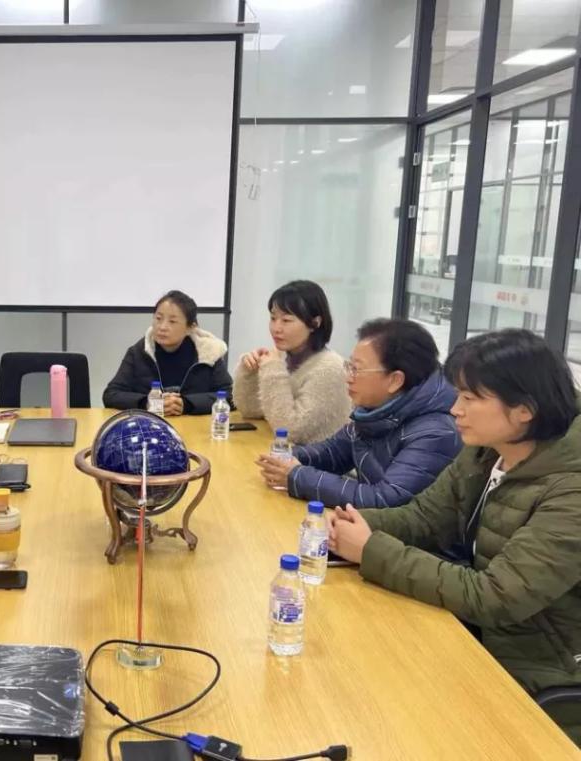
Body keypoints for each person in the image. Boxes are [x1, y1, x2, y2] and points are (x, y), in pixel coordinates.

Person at [328, 330, 581, 742]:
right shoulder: (488, 451)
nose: (455, 409)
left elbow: (496, 597)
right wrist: (354, 522)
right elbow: (425, 518)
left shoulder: (571, 492)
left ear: (524, 410)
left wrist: (372, 549)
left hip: (542, 675)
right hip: (476, 639)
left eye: (470, 398)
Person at [257, 318, 460, 507]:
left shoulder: (435, 433)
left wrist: (297, 476)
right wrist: (283, 458)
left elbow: (385, 499)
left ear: (395, 380)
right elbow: (333, 452)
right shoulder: (378, 409)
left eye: (357, 369)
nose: (348, 378)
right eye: (349, 366)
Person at [233, 280, 349, 444]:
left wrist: (273, 370)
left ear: (315, 323)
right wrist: (249, 372)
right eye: (273, 318)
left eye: (286, 320)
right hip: (282, 453)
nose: (276, 328)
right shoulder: (283, 358)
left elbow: (290, 431)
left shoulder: (330, 368)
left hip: (313, 459)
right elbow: (251, 410)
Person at [102, 290, 233, 414]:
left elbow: (231, 396)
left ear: (190, 327)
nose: (162, 327)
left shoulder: (208, 353)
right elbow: (111, 394)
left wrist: (187, 404)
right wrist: (147, 403)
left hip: (194, 426)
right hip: (151, 424)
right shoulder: (139, 352)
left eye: (172, 321)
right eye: (158, 318)